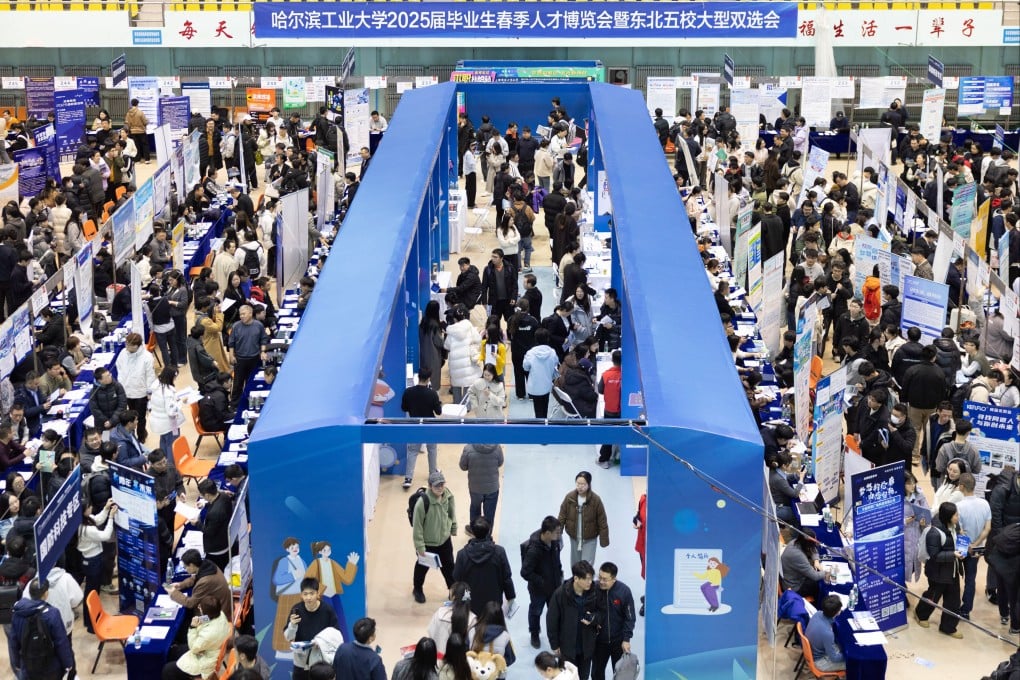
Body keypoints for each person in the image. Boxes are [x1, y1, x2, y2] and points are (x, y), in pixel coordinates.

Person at [914, 501, 965, 638]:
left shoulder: (955, 526)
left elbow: (958, 541)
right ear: (948, 516)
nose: (958, 517)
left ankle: (948, 627)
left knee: (953, 601)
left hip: (952, 571)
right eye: (955, 515)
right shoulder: (934, 533)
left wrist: (965, 547)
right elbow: (934, 555)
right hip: (937, 573)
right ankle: (920, 614)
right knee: (933, 596)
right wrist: (953, 554)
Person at [10, 579, 75, 680]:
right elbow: (61, 642)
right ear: (46, 593)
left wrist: (17, 663)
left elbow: (13, 642)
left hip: (27, 665)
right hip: (50, 667)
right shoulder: (52, 614)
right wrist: (68, 664)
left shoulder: (17, 613)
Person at [451, 516, 515, 618]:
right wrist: (511, 597)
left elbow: (457, 580)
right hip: (493, 604)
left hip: (470, 604)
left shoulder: (462, 555)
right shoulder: (499, 552)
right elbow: (506, 578)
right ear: (489, 531)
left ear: (472, 532)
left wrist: (457, 602)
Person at [547, 561, 601, 680]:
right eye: (587, 579)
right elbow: (552, 620)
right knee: (568, 677)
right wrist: (554, 644)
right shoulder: (560, 594)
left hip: (587, 646)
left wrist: (594, 619)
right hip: (568, 647)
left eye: (591, 578)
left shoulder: (595, 591)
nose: (590, 582)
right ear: (576, 578)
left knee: (584, 677)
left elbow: (602, 613)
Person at [411, 470, 457, 604]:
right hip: (428, 543)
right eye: (437, 485)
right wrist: (420, 546)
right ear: (430, 486)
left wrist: (453, 527)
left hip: (445, 540)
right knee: (422, 567)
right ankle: (417, 589)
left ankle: (453, 591)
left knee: (449, 567)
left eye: (442, 485)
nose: (440, 488)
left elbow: (451, 513)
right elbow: (417, 526)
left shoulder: (448, 496)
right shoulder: (422, 503)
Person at [161, 597, 232, 680]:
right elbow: (208, 617)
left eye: (200, 607)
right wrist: (199, 620)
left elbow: (193, 648)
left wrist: (192, 627)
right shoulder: (220, 613)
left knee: (168, 669)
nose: (199, 608)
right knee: (175, 648)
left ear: (205, 612)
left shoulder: (208, 635)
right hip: (207, 648)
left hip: (204, 660)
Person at [286, 577, 340, 680]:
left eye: (312, 593)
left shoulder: (327, 610)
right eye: (305, 594)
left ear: (318, 594)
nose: (308, 597)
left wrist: (319, 642)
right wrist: (292, 625)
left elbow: (336, 635)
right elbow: (289, 637)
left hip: (320, 664)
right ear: (301, 595)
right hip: (301, 662)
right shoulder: (296, 609)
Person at [955, 472, 991, 619]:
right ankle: (966, 610)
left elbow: (960, 529)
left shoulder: (958, 506)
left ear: (962, 486)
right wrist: (975, 544)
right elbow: (987, 528)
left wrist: (968, 544)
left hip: (962, 546)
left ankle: (953, 604)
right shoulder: (985, 504)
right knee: (971, 578)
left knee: (954, 576)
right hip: (978, 548)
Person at [401, 368, 442, 490]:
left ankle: (408, 478)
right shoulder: (432, 393)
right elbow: (438, 412)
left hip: (415, 424)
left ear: (418, 377)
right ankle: (433, 474)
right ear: (429, 378)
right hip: (430, 425)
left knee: (413, 451)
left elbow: (404, 408)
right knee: (432, 449)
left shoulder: (408, 392)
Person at [557, 471, 609, 567]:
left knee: (587, 565)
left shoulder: (596, 500)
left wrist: (604, 539)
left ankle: (586, 581)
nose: (580, 486)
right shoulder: (569, 498)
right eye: (578, 484)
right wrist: (557, 532)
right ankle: (576, 581)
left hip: (590, 538)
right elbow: (562, 515)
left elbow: (602, 520)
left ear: (588, 485)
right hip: (574, 537)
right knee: (575, 564)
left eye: (583, 484)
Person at [591, 563, 634, 680]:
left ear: (614, 578)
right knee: (596, 673)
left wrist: (626, 639)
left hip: (618, 642)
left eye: (605, 579)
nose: (601, 581)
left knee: (620, 674)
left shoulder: (624, 591)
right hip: (599, 642)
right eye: (599, 577)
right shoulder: (593, 588)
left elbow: (630, 617)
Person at [166, 549, 233, 623]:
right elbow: (196, 577)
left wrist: (173, 593)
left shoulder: (205, 581)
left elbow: (190, 603)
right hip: (224, 607)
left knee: (192, 622)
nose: (185, 569)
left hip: (218, 617)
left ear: (191, 565)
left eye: (185, 567)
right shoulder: (208, 564)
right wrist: (180, 585)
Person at [227, 303, 268, 407]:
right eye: (240, 314)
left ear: (250, 313)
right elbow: (231, 342)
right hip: (240, 360)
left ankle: (251, 403)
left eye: (243, 314)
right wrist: (231, 356)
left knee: (252, 382)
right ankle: (234, 405)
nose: (241, 316)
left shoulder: (258, 325)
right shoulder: (236, 326)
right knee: (237, 384)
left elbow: (263, 339)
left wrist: (262, 351)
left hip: (254, 359)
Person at [459, 441, 504, 523]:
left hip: (475, 488)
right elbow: (500, 463)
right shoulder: (497, 447)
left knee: (475, 510)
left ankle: (475, 530)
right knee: (490, 514)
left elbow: (463, 466)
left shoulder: (468, 448)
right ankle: (487, 534)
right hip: (492, 488)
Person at [193, 479, 232, 571]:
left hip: (217, 548)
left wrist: (197, 523)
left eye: (202, 495)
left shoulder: (215, 513)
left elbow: (209, 532)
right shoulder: (223, 496)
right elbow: (215, 504)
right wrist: (205, 505)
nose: (202, 497)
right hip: (226, 538)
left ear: (207, 495)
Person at [444, 306, 481, 405]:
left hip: (455, 362)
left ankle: (457, 403)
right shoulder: (470, 328)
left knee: (456, 384)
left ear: (455, 318)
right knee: (467, 384)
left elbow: (446, 345)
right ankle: (467, 405)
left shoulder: (451, 331)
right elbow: (478, 340)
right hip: (467, 362)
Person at [426, 582, 476, 654]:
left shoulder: (440, 613)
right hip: (461, 661)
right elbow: (473, 645)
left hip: (438, 657)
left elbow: (431, 633)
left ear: (453, 597)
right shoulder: (472, 619)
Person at [523, 329, 560, 418]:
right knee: (545, 407)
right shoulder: (552, 352)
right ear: (547, 339)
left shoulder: (530, 353)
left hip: (535, 386)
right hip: (547, 385)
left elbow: (525, 367)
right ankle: (544, 424)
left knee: (537, 409)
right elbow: (556, 363)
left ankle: (539, 425)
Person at [780, 528, 825, 599]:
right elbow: (815, 576)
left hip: (795, 578)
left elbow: (813, 548)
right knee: (819, 585)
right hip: (794, 588)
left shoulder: (796, 541)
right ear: (807, 544)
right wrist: (827, 572)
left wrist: (816, 560)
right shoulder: (798, 555)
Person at [804, 595, 846, 672]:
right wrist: (847, 655)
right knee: (853, 663)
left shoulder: (818, 613)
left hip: (814, 651)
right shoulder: (827, 633)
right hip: (819, 662)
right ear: (838, 612)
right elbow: (834, 658)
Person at [596, 350, 622, 468]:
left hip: (610, 411)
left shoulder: (606, 375)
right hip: (624, 412)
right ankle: (619, 456)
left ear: (612, 360)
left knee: (608, 435)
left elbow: (600, 390)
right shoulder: (627, 375)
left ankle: (604, 460)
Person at [904, 471, 931, 584]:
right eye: (909, 483)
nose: (912, 486)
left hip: (917, 534)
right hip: (904, 537)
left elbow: (927, 511)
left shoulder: (920, 495)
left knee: (915, 563)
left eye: (914, 482)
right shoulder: (897, 498)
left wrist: (924, 521)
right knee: (903, 565)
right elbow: (890, 520)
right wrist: (904, 521)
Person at [88, 367, 127, 434]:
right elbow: (94, 409)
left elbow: (122, 405)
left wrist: (112, 421)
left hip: (118, 422)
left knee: (119, 442)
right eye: (107, 376)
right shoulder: (94, 392)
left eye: (109, 374)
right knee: (106, 441)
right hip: (103, 425)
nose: (110, 376)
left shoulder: (117, 386)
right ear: (100, 380)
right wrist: (106, 421)